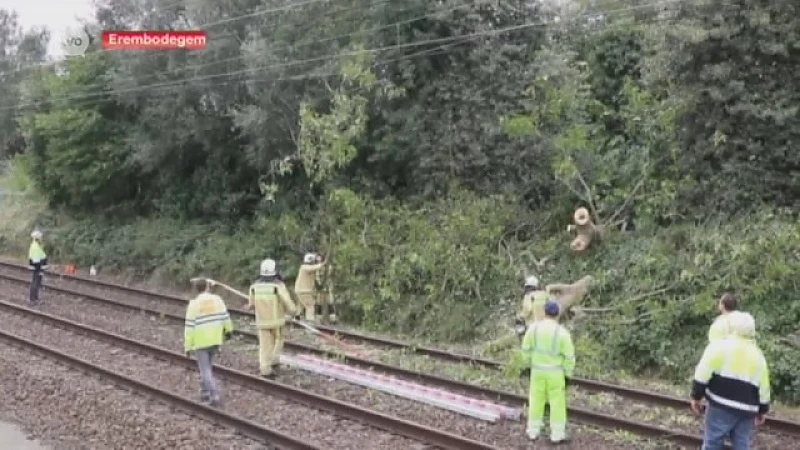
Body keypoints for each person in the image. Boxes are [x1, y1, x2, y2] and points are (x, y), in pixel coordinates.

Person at [691, 311, 770, 450]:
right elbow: (764, 388)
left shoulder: (720, 346)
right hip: (746, 410)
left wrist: (696, 396)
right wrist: (762, 410)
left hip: (719, 405)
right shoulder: (759, 356)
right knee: (742, 445)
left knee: (713, 443)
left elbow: (702, 373)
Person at [521, 300, 575, 443]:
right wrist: (568, 374)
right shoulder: (562, 333)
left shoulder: (533, 329)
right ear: (557, 314)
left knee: (536, 401)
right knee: (557, 403)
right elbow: (569, 356)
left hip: (537, 372)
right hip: (556, 374)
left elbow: (525, 349)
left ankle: (533, 431)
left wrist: (527, 366)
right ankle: (557, 435)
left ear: (544, 312)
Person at [184, 279, 233, 406]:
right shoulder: (217, 300)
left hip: (201, 342)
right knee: (208, 367)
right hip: (215, 339)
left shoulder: (194, 304)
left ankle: (214, 395)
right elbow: (225, 316)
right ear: (207, 287)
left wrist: (187, 346)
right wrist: (229, 330)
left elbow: (189, 326)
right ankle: (204, 392)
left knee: (205, 370)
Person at [247, 258, 296, 378]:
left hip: (262, 322)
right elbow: (288, 303)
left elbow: (251, 305)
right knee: (278, 341)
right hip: (276, 321)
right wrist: (294, 312)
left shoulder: (254, 287)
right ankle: (274, 361)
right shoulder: (278, 286)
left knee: (264, 345)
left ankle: (265, 369)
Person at [294, 253, 326, 322]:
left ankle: (296, 318)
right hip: (303, 291)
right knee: (310, 305)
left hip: (302, 290)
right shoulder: (304, 267)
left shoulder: (309, 268)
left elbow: (316, 271)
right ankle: (310, 321)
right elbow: (314, 267)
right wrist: (323, 264)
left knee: (301, 305)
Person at [28, 229, 48, 306]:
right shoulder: (35, 247)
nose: (41, 238)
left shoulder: (36, 245)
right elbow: (36, 261)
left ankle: (35, 298)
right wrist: (40, 270)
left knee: (36, 283)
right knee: (35, 283)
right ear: (37, 238)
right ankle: (33, 299)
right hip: (37, 268)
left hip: (37, 268)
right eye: (40, 237)